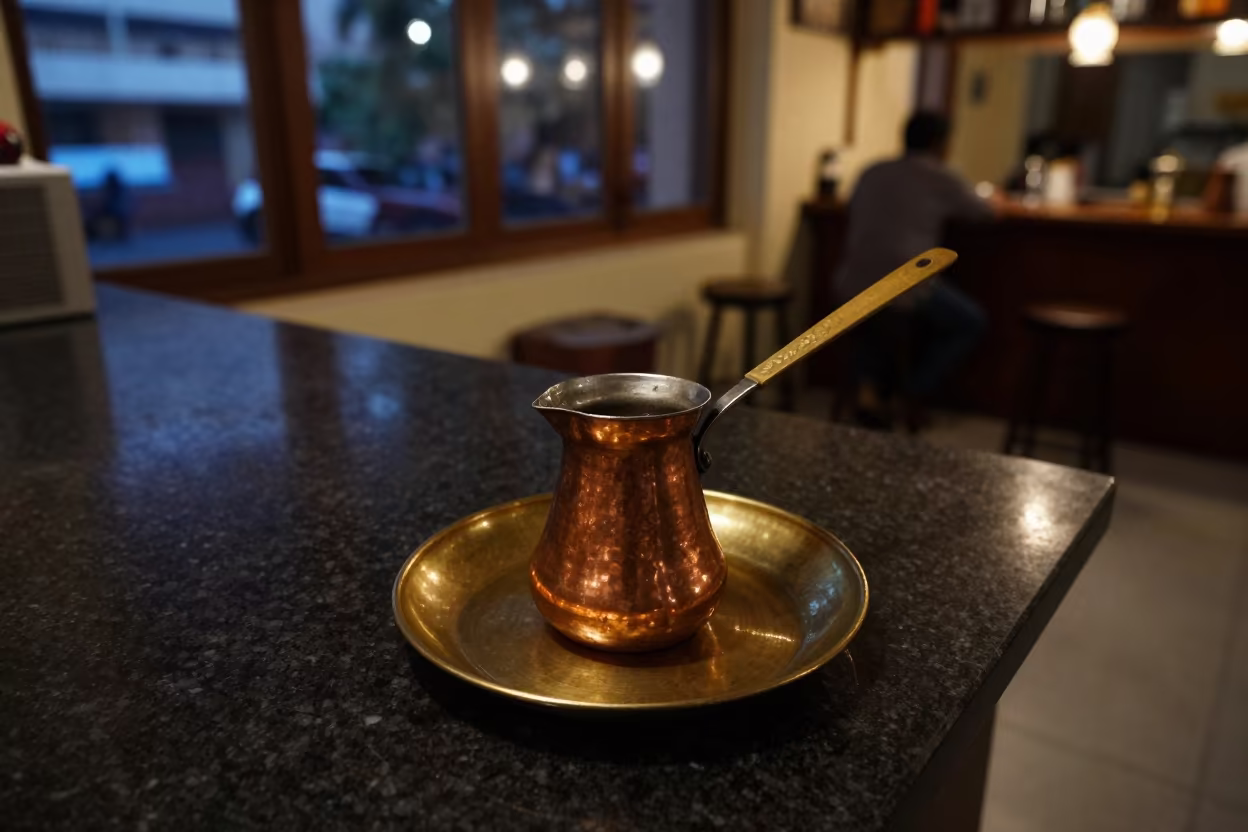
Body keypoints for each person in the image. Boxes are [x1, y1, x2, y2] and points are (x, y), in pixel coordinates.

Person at [834, 111, 994, 428]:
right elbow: (985, 213)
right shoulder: (942, 177)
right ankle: (907, 392)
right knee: (970, 322)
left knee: (871, 313)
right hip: (905, 287)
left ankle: (871, 390)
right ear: (940, 143)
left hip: (849, 283)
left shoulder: (873, 171)